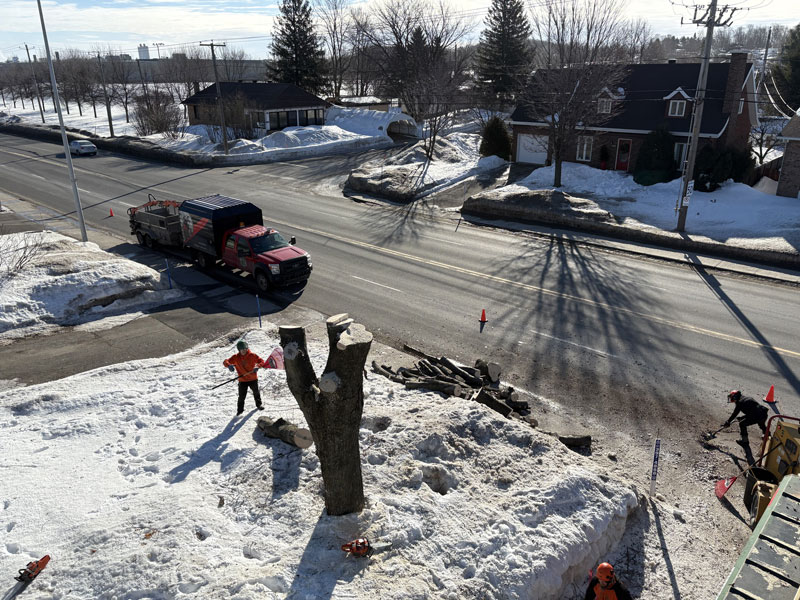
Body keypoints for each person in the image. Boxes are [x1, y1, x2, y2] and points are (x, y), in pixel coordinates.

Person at [223, 340, 267, 415]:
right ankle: (240, 411)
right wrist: (228, 365)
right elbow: (225, 361)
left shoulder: (252, 355)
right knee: (241, 396)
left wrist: (257, 366)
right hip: (242, 380)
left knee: (256, 392)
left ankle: (259, 405)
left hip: (253, 379)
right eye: (242, 349)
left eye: (245, 349)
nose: (244, 351)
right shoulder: (236, 357)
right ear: (239, 350)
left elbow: (262, 361)